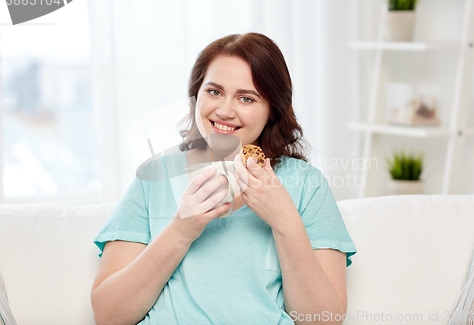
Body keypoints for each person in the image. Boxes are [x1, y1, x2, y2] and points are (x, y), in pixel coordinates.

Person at [91, 32, 357, 325]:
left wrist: (284, 220)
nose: (224, 111)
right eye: (214, 92)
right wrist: (181, 230)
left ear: (273, 110)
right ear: (196, 95)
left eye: (246, 98)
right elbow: (109, 316)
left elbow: (324, 320)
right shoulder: (154, 178)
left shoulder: (307, 185)